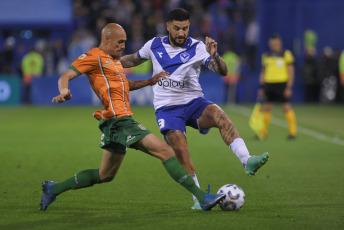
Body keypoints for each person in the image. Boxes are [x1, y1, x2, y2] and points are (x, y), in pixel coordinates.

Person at [40, 23, 226, 212]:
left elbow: (124, 84)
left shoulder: (114, 61)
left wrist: (149, 81)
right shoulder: (93, 56)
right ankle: (201, 198)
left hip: (113, 123)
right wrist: (64, 91)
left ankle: (53, 188)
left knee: (105, 174)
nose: (123, 46)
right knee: (166, 151)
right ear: (106, 39)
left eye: (125, 42)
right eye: (120, 42)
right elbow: (65, 76)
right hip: (119, 120)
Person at [120, 8, 269, 210]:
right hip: (167, 109)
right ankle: (199, 199)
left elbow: (223, 72)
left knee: (219, 115)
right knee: (180, 149)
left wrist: (215, 57)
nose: (181, 33)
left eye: (185, 28)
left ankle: (247, 160)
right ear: (168, 27)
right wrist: (109, 63)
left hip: (193, 103)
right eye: (177, 29)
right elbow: (133, 59)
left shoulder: (198, 47)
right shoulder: (154, 45)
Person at [258, 34, 297, 140]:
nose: (275, 44)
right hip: (269, 85)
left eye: (276, 42)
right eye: (273, 42)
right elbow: (263, 72)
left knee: (286, 107)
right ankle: (263, 134)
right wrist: (261, 87)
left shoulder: (286, 54)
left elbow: (291, 71)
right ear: (270, 43)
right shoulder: (266, 55)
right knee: (267, 108)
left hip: (281, 84)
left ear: (280, 42)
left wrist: (289, 87)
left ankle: (292, 133)